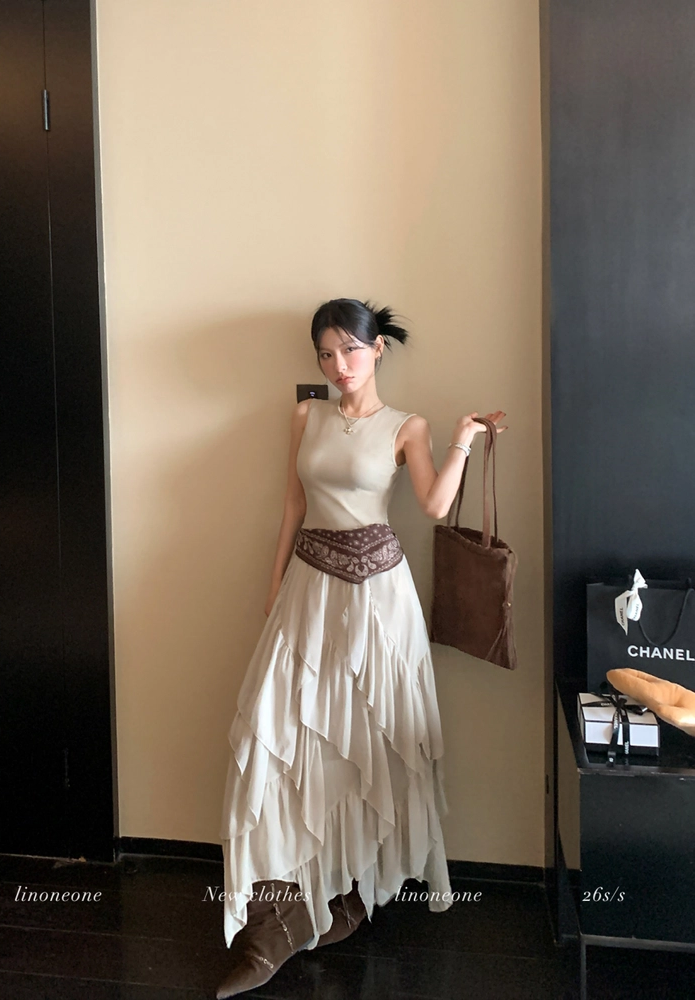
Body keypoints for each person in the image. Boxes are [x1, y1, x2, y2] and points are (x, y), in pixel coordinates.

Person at [217, 298, 507, 998]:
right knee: (281, 736)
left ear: (377, 349)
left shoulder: (407, 425)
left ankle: (352, 892)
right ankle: (280, 914)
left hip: (380, 597)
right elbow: (293, 504)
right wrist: (273, 583)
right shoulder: (306, 415)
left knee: (372, 739)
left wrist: (463, 439)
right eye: (325, 353)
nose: (337, 365)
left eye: (349, 349)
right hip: (308, 587)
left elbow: (434, 506)